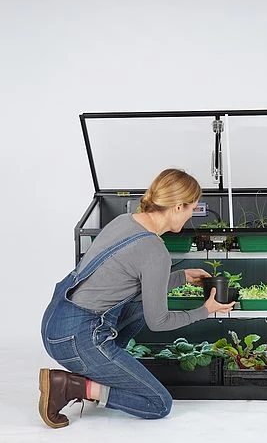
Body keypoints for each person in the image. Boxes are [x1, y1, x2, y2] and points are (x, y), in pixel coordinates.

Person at [39, 168, 234, 428]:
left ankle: (103, 368)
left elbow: (130, 280)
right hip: (79, 338)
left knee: (141, 305)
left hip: (56, 324)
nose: (191, 216)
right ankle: (74, 386)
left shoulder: (124, 221)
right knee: (159, 403)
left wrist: (181, 277)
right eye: (192, 208)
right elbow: (159, 322)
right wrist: (205, 310)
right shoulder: (155, 251)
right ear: (178, 206)